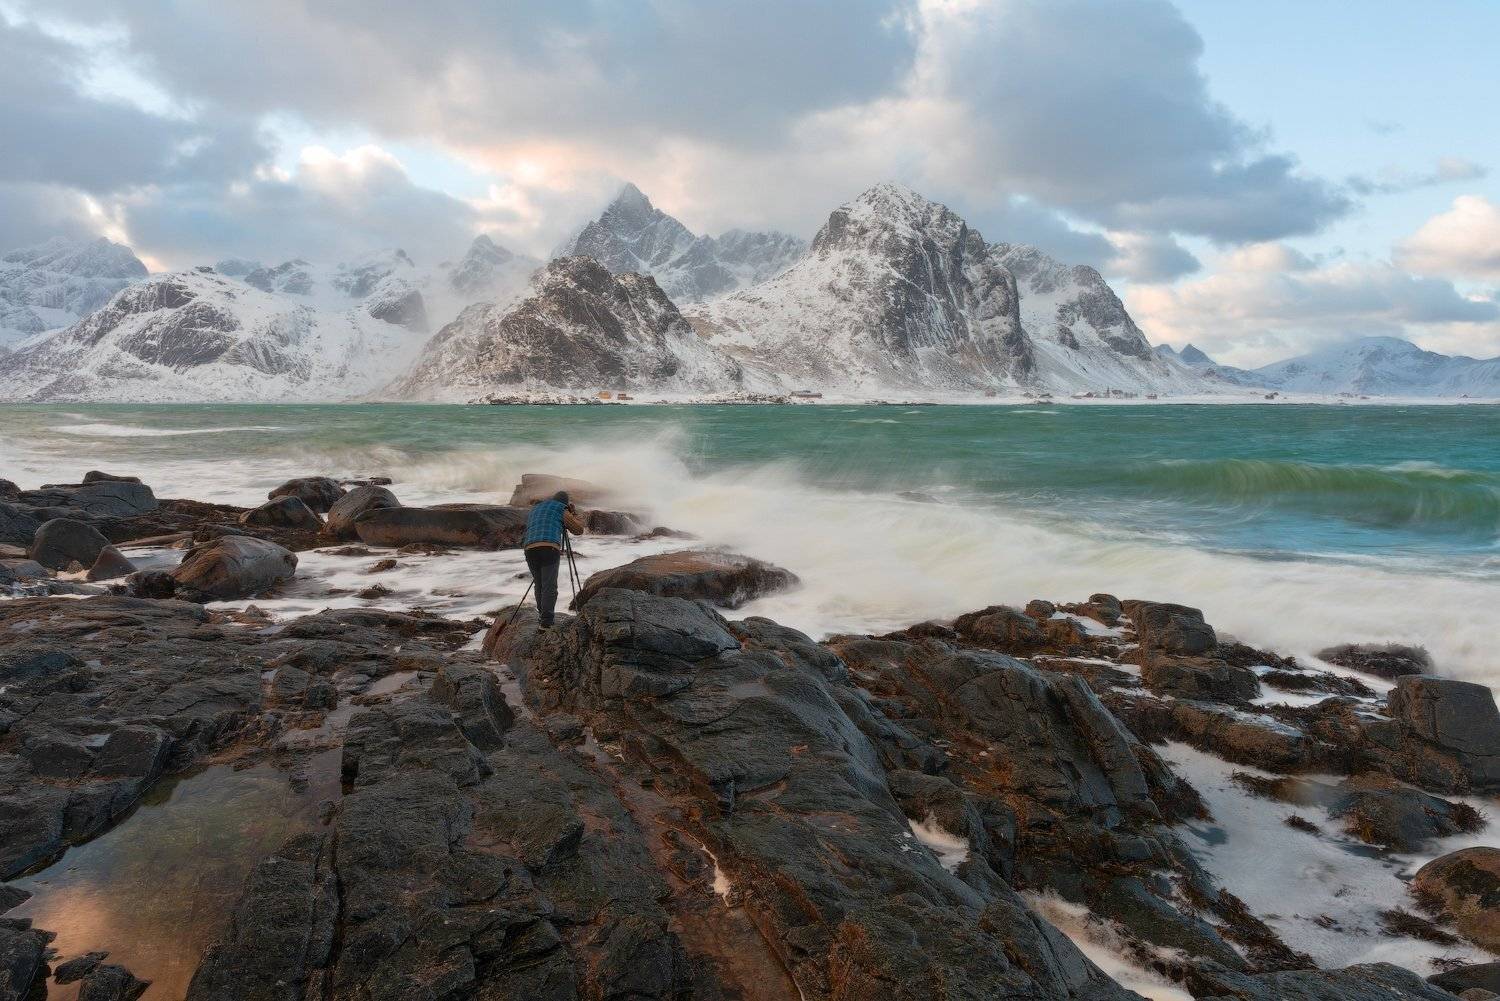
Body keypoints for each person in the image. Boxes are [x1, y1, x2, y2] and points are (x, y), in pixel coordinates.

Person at [522, 490, 586, 628]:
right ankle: (546, 623)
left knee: (539, 584)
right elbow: (578, 530)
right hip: (549, 547)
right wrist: (573, 513)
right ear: (565, 503)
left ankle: (542, 616)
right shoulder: (560, 508)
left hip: (529, 548)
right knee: (549, 586)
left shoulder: (536, 509)